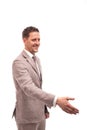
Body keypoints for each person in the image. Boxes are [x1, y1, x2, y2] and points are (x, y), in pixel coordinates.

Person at [12, 26, 79, 130]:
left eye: (39, 39)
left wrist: (44, 108)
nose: (37, 43)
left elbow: (38, 87)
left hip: (40, 115)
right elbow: (29, 88)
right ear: (24, 40)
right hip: (27, 117)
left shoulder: (37, 59)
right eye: (34, 40)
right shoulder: (19, 62)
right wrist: (56, 100)